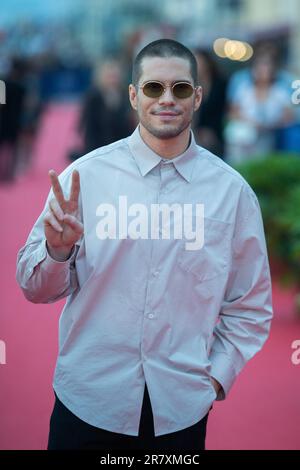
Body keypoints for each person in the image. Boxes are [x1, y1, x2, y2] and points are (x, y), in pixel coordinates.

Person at [16, 39, 273, 451]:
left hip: (180, 414)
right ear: (134, 95)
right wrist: (57, 252)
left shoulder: (233, 194)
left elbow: (251, 305)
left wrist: (214, 378)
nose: (167, 99)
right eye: (154, 88)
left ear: (198, 96)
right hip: (87, 403)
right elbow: (34, 288)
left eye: (181, 89)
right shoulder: (84, 178)